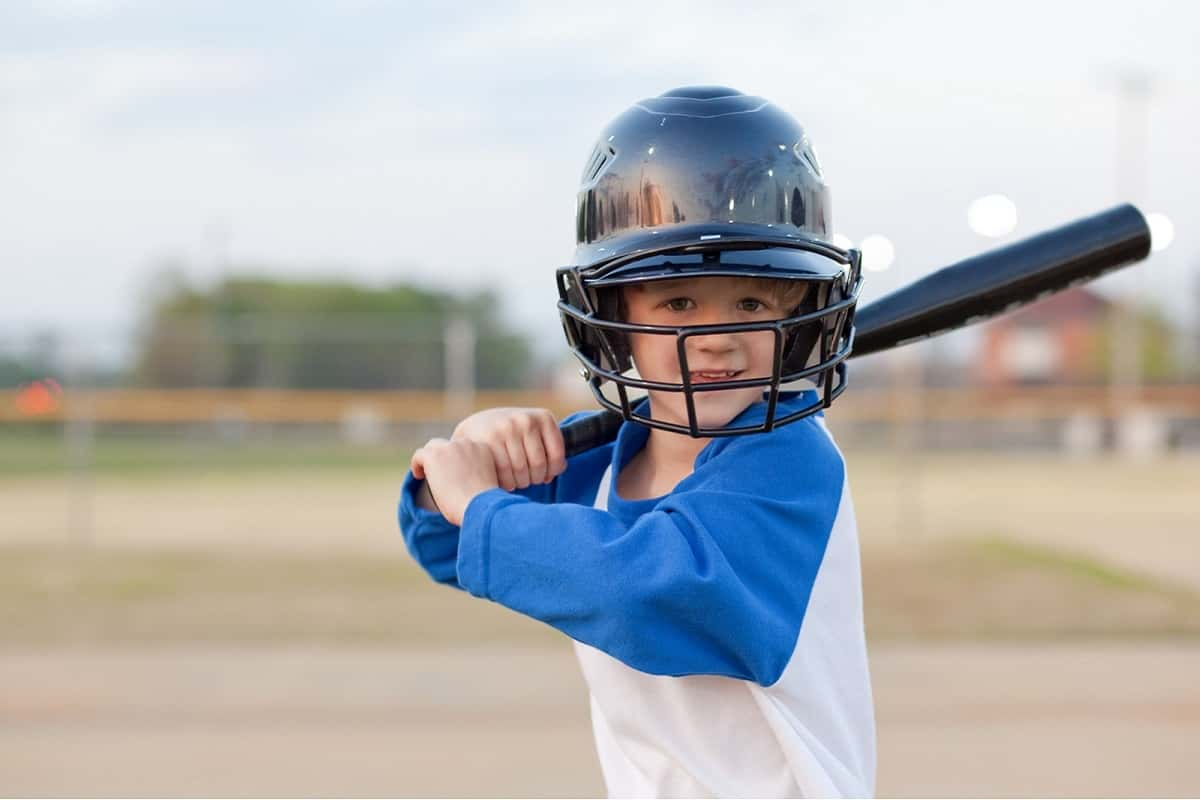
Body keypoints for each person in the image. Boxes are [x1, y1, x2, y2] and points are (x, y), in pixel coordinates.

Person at [399, 86, 875, 798]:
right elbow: (442, 544)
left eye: (751, 302)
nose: (717, 338)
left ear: (801, 317)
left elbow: (654, 595)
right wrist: (465, 461)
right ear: (614, 318)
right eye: (679, 303)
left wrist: (485, 507)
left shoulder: (790, 459)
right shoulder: (597, 455)